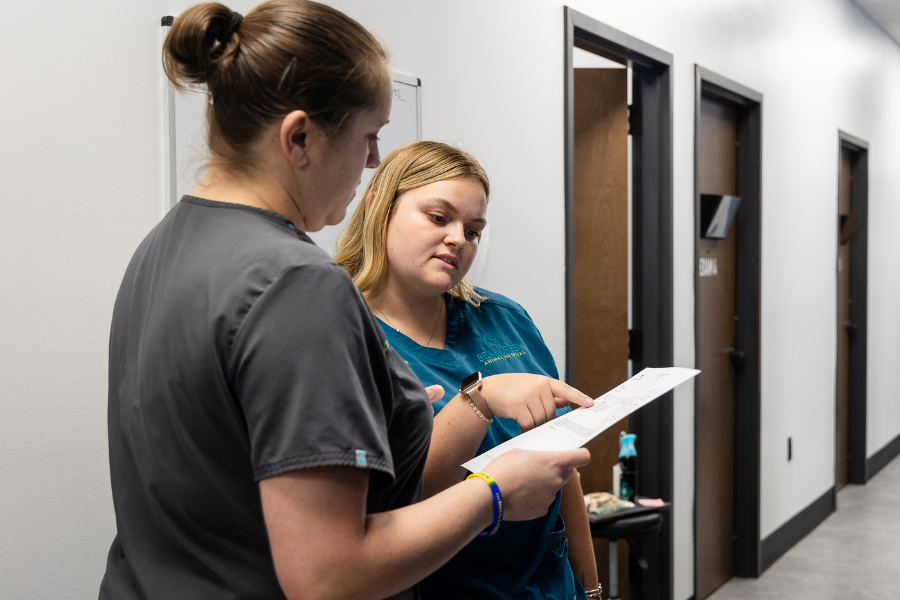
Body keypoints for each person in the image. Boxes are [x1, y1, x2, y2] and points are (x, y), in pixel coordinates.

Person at [100, 3, 593, 600]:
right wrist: (493, 493)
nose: (371, 160)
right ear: (300, 137)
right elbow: (329, 575)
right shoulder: (296, 283)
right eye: (368, 135)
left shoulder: (160, 249)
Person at [334, 140, 602, 600]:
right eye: (439, 218)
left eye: (474, 230)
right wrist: (478, 401)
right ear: (380, 207)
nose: (458, 238)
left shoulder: (503, 318)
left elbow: (565, 469)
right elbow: (406, 501)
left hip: (551, 586)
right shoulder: (343, 335)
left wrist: (593, 589)